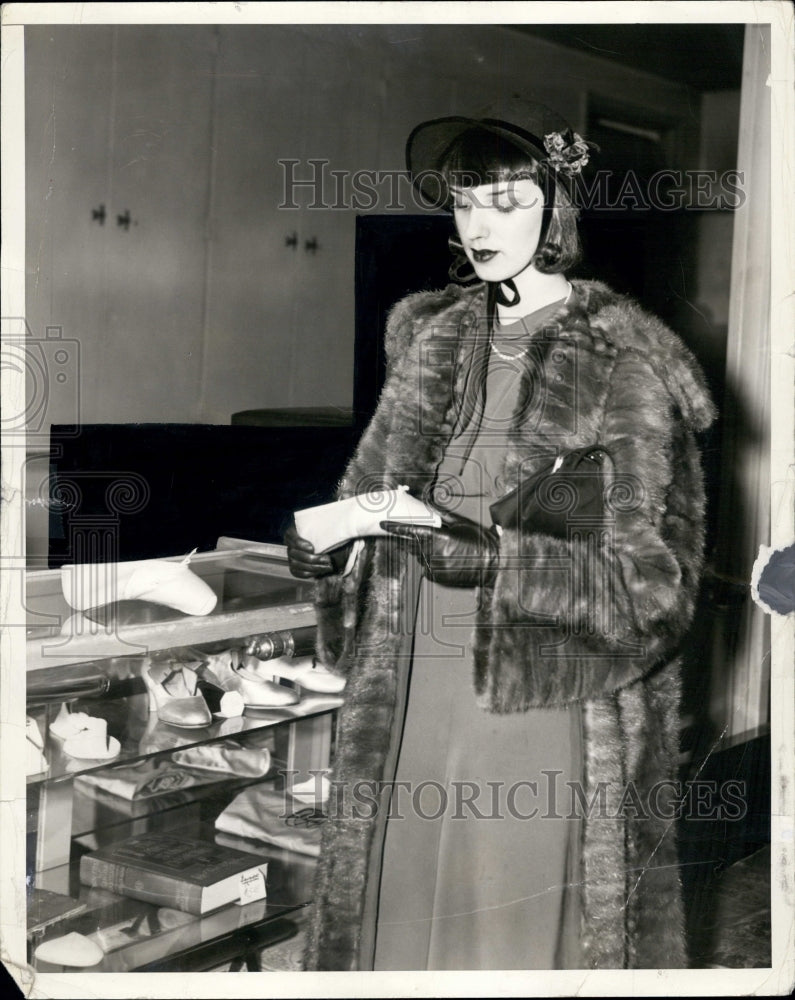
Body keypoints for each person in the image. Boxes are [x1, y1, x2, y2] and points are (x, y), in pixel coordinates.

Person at [285, 98, 716, 971]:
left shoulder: (622, 364)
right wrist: (329, 554)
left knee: (500, 928)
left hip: (534, 700)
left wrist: (493, 559)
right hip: (406, 687)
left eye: (507, 203)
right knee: (396, 912)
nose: (480, 225)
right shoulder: (431, 341)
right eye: (463, 202)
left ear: (556, 211)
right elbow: (366, 499)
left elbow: (653, 587)